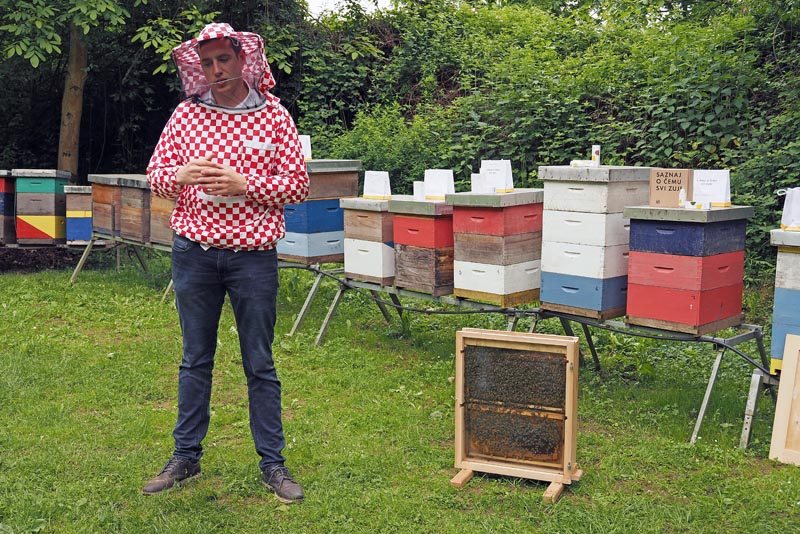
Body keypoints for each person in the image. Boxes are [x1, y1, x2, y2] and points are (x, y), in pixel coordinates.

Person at [143, 22, 309, 504]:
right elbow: (156, 176)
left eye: (224, 59)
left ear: (243, 59)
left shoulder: (274, 117)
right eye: (207, 62)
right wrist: (180, 175)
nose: (216, 70)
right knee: (195, 359)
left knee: (260, 362)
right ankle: (185, 457)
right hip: (193, 253)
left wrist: (246, 185)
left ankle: (273, 464)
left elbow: (298, 186)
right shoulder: (185, 115)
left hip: (252, 258)